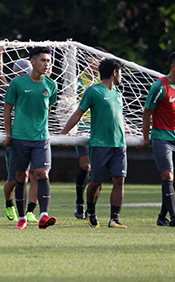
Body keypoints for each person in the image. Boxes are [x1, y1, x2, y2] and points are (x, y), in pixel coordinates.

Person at [61, 57, 127, 228]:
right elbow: (78, 113)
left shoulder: (118, 95)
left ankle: (114, 219)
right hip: (100, 144)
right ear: (114, 72)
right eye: (120, 72)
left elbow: (118, 118)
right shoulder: (93, 91)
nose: (122, 76)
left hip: (119, 145)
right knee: (96, 181)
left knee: (119, 180)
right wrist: (63, 133)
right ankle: (90, 211)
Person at [3, 46, 59, 230]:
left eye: (48, 61)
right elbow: (7, 108)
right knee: (21, 176)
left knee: (43, 173)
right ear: (32, 62)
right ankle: (21, 218)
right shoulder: (18, 83)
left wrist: (42, 128)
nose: (46, 64)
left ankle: (43, 215)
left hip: (41, 138)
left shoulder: (51, 85)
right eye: (43, 60)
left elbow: (48, 110)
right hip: (20, 138)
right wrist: (9, 134)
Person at [140, 52, 175, 227]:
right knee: (167, 176)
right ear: (173, 66)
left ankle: (162, 216)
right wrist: (146, 138)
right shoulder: (159, 87)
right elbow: (147, 113)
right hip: (161, 137)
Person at [0, 54, 38, 221]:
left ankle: (31, 211)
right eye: (21, 73)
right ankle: (8, 203)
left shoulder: (38, 84)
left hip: (36, 137)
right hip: (17, 138)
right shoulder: (13, 87)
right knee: (16, 178)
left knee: (36, 175)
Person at [73, 55, 100, 219]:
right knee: (86, 165)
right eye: (97, 59)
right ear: (89, 60)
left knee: (98, 169)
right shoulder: (77, 80)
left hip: (99, 129)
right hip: (81, 128)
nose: (99, 63)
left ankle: (92, 207)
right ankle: (79, 201)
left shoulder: (103, 82)